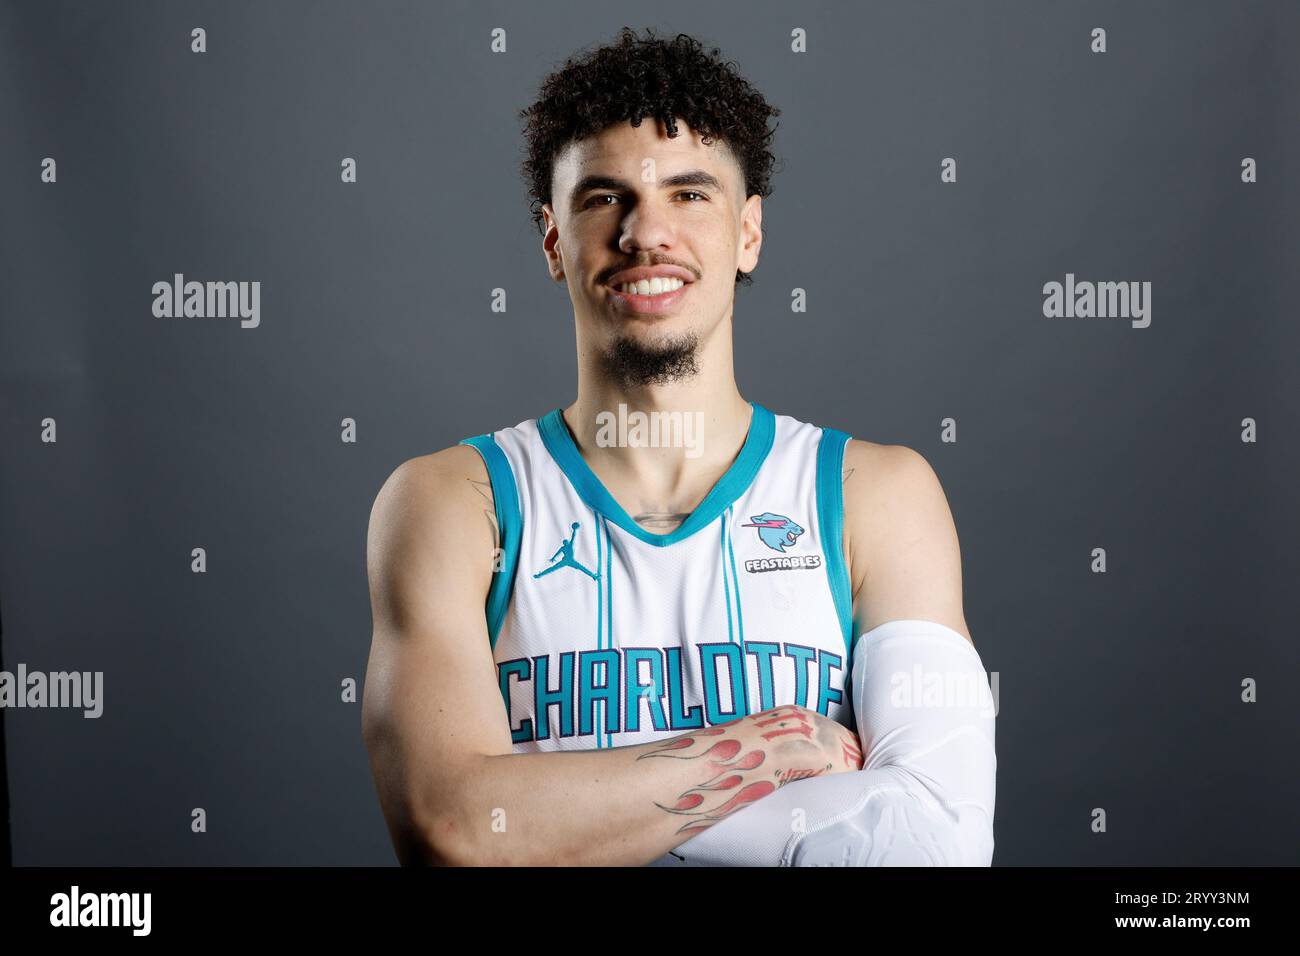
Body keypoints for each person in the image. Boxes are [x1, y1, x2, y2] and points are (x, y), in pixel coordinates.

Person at [362, 27, 996, 866]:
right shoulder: (452, 502)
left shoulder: (875, 494)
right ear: (554, 240)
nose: (646, 234)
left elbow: (933, 840)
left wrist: (546, 811)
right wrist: (762, 754)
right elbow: (453, 830)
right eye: (603, 198)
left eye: (691, 195)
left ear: (749, 234)